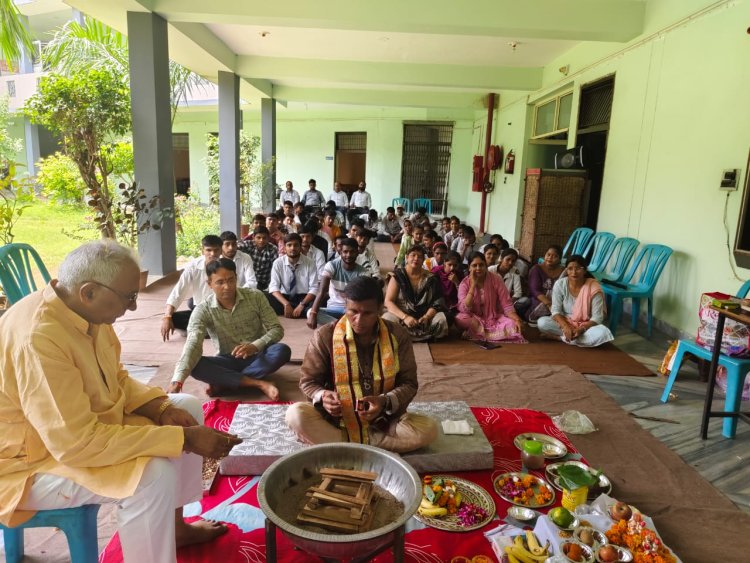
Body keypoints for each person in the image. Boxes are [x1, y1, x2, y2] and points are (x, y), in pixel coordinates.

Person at [0, 241, 241, 562]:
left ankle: (175, 528)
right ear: (89, 292)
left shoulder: (84, 312)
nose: (133, 308)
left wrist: (160, 408)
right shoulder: (40, 338)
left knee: (185, 408)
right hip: (28, 463)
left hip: (76, 431)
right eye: (129, 297)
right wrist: (182, 439)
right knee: (152, 477)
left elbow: (117, 380)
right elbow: (75, 443)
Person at [285, 276, 438, 453]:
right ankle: (370, 446)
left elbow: (409, 384)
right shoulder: (325, 335)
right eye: (353, 312)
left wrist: (383, 401)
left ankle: (344, 445)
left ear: (380, 310)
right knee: (295, 415)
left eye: (367, 313)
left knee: (429, 429)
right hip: (335, 421)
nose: (359, 320)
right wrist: (323, 396)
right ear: (345, 307)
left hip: (382, 422)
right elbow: (308, 382)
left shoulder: (398, 335)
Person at [169, 258, 292, 399]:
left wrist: (254, 345)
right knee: (195, 366)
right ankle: (259, 383)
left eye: (231, 280)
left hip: (259, 355)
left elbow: (276, 329)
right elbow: (193, 343)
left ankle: (226, 381)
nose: (227, 286)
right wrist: (177, 380)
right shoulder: (203, 309)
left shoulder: (255, 297)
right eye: (220, 282)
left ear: (236, 278)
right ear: (209, 284)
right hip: (227, 360)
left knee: (282, 350)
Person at [537, 255, 615, 347]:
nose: (574, 272)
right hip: (566, 321)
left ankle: (560, 338)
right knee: (542, 323)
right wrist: (565, 326)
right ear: (566, 270)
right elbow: (555, 310)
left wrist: (581, 329)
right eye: (570, 269)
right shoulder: (560, 284)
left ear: (585, 270)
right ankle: (573, 337)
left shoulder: (593, 287)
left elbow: (597, 317)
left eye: (578, 268)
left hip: (587, 325)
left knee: (603, 333)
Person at [161, 234, 222, 340]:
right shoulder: (193, 266)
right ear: (202, 251)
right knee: (173, 318)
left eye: (216, 250)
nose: (212, 254)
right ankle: (206, 330)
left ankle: (201, 330)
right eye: (208, 250)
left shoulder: (227, 266)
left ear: (221, 251)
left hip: (222, 312)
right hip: (202, 311)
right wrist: (167, 317)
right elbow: (178, 291)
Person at [383, 245, 448, 342]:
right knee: (387, 320)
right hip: (401, 317)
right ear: (407, 257)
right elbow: (388, 302)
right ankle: (416, 336)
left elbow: (437, 303)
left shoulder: (431, 278)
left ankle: (403, 337)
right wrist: (405, 317)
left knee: (441, 320)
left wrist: (426, 317)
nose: (416, 259)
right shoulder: (398, 276)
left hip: (424, 320)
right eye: (413, 255)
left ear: (423, 260)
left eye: (419, 256)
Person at [456, 251, 524, 342]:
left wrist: (516, 319)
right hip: (474, 318)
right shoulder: (464, 283)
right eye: (474, 265)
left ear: (486, 266)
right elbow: (464, 308)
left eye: (481, 265)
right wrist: (472, 286)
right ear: (469, 268)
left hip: (494, 318)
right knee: (460, 319)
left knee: (513, 324)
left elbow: (506, 304)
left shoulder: (496, 279)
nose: (478, 268)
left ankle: (475, 334)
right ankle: (488, 334)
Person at [307, 238, 367, 328]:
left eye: (352, 252)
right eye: (345, 252)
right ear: (340, 252)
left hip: (352, 310)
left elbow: (362, 299)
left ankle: (337, 326)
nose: (348, 255)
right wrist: (313, 313)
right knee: (310, 312)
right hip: (333, 308)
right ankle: (344, 327)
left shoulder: (364, 272)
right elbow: (322, 290)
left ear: (357, 252)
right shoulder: (331, 266)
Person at [267, 233, 319, 318]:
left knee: (318, 300)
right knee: (265, 297)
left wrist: (302, 304)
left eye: (296, 245)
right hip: (285, 298)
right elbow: (273, 287)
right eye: (289, 245)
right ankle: (298, 311)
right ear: (284, 247)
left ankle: (305, 311)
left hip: (304, 298)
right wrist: (286, 304)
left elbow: (314, 288)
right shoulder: (278, 263)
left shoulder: (310, 263)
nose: (293, 248)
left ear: (300, 246)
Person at [527, 244, 565, 324]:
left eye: (555, 256)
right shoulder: (537, 269)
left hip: (558, 300)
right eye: (548, 254)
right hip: (540, 298)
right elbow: (535, 290)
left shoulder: (564, 272)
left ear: (559, 259)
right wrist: (549, 304)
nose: (550, 258)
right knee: (536, 305)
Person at [490, 248, 530, 318]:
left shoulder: (515, 271)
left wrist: (508, 303)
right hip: (491, 301)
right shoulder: (491, 270)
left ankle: (506, 313)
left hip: (507, 302)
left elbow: (518, 292)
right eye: (508, 259)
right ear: (501, 258)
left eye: (513, 261)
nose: (510, 263)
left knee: (526, 301)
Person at [242, 226, 278, 291]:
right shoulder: (247, 245)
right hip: (247, 282)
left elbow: (275, 269)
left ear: (268, 238)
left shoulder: (273, 249)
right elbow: (235, 246)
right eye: (258, 237)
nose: (261, 240)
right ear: (253, 237)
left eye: (264, 238)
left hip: (264, 284)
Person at [432, 250, 462, 320]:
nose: (452, 268)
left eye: (455, 265)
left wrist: (456, 282)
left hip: (453, 305)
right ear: (445, 262)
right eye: (450, 264)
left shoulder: (459, 274)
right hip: (438, 303)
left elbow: (462, 295)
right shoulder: (436, 271)